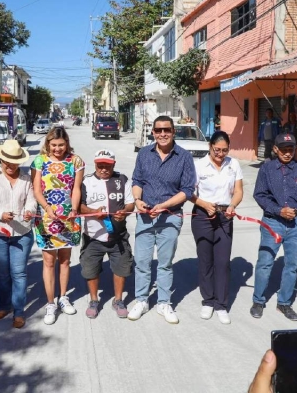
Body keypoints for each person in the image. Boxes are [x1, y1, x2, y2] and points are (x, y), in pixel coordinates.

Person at [129, 115, 196, 324]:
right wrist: (138, 200)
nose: (162, 134)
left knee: (165, 263)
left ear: (173, 131)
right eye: (158, 130)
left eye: (166, 130)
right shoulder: (144, 154)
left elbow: (187, 190)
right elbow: (137, 180)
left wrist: (164, 206)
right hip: (145, 218)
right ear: (153, 132)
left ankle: (164, 302)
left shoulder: (184, 157)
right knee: (142, 262)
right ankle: (141, 300)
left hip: (170, 217)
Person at [251, 133, 297, 322]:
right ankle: (258, 301)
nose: (288, 153)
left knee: (292, 266)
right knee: (265, 263)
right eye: (284, 149)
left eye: (291, 149)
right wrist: (279, 210)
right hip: (273, 222)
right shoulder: (267, 169)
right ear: (276, 149)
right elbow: (259, 195)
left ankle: (284, 303)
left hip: (296, 224)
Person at [31, 127, 85, 325]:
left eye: (61, 145)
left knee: (65, 260)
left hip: (68, 218)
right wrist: (46, 207)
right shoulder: (39, 161)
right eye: (53, 145)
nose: (57, 149)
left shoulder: (76, 161)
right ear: (48, 144)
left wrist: (74, 208)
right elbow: (36, 189)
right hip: (46, 218)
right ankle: (50, 302)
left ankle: (63, 297)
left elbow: (76, 188)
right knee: (48, 261)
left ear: (67, 143)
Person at [0, 140, 35, 329]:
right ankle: (5, 306)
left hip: (22, 233)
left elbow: (31, 202)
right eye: (6, 161)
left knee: (19, 273)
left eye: (14, 162)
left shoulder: (27, 179)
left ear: (19, 161)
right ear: (1, 159)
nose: (10, 166)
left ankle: (19, 312)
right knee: (2, 275)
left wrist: (28, 212)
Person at [189, 131, 243, 324]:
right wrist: (204, 204)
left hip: (225, 216)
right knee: (206, 260)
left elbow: (238, 191)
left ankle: (221, 304)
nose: (221, 154)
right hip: (203, 216)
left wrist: (232, 206)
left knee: (222, 262)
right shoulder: (198, 165)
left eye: (225, 150)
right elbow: (190, 193)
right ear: (210, 147)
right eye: (217, 150)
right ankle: (208, 301)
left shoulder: (233, 164)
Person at [79, 149, 135, 319]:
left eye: (107, 166)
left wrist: (124, 212)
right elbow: (79, 206)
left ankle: (118, 300)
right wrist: (93, 212)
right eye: (100, 165)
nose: (103, 169)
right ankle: (94, 300)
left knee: (121, 268)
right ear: (95, 164)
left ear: (114, 165)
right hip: (93, 236)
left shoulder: (122, 179)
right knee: (90, 269)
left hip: (118, 236)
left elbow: (131, 204)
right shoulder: (86, 181)